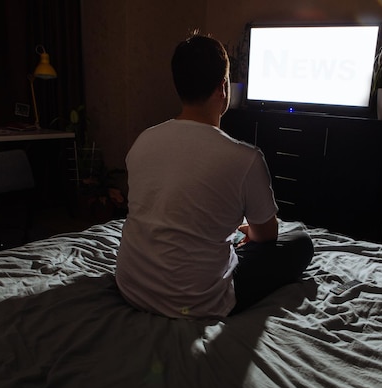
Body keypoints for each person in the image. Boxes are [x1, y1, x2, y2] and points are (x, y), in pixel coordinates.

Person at [115, 32, 313, 319]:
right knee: (300, 241)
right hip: (197, 301)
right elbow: (267, 235)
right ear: (223, 87)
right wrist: (248, 229)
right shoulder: (245, 158)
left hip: (132, 287)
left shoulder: (143, 140)